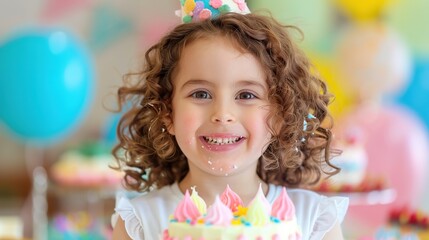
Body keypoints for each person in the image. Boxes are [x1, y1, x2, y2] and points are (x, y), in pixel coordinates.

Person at [111, 3, 349, 239]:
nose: (223, 114)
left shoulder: (313, 219)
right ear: (167, 112)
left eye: (246, 95)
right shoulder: (140, 222)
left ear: (280, 116)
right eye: (201, 94)